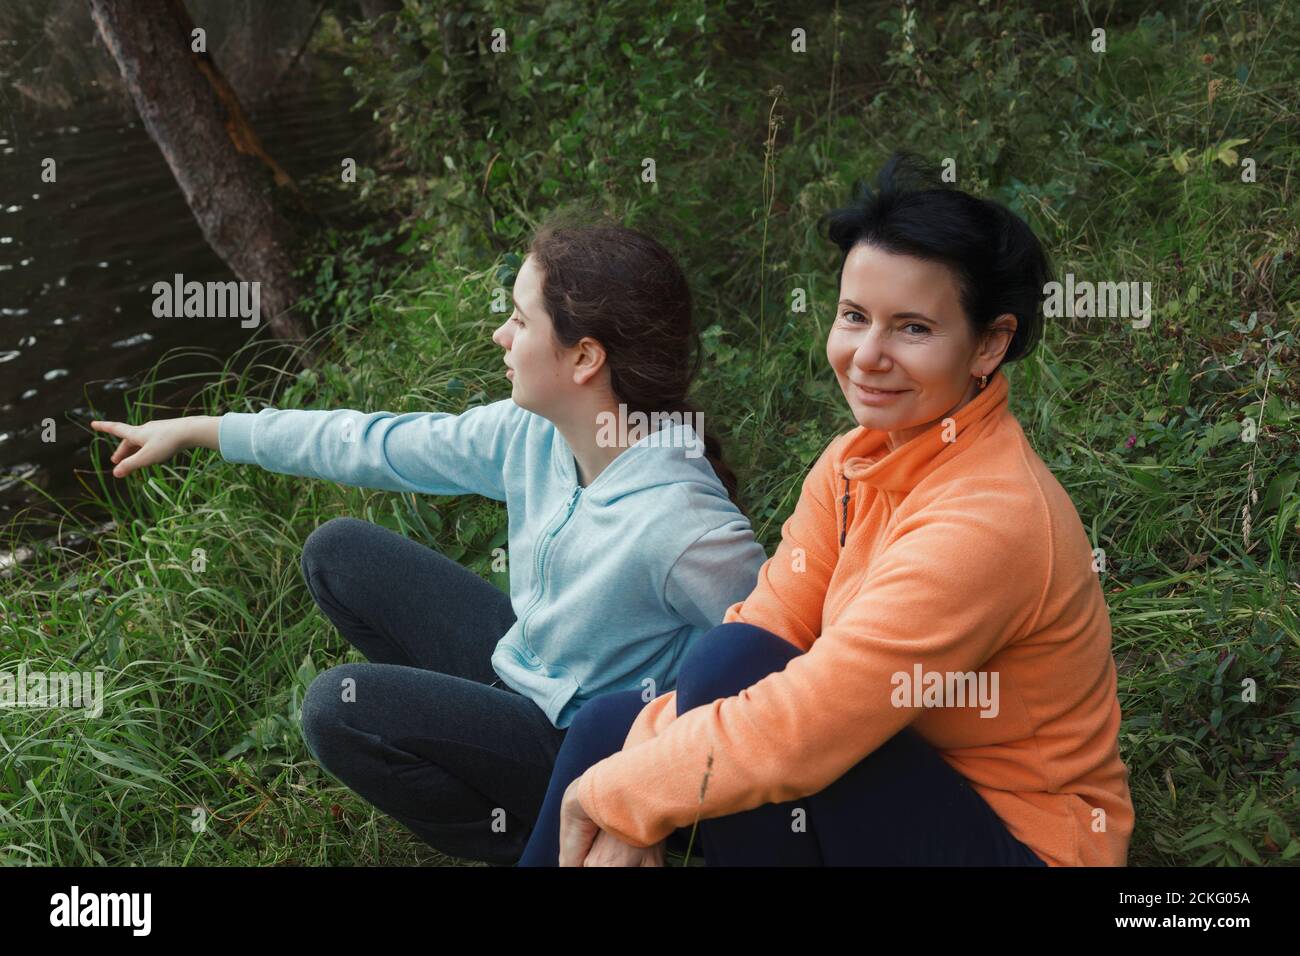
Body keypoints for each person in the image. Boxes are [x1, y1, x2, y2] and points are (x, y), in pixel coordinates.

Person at [89, 210, 767, 865]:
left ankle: (553, 837)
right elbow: (378, 443)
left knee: (337, 709)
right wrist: (208, 430)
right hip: (528, 670)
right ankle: (522, 797)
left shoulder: (681, 523)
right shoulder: (533, 431)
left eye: (520, 320)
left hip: (587, 745)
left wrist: (647, 794)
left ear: (585, 357)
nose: (501, 335)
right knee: (338, 554)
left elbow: (775, 672)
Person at [520, 152, 1135, 867]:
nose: (867, 355)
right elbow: (768, 628)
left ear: (989, 344)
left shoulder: (989, 519)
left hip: (1017, 843)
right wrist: (631, 771)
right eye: (854, 317)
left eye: (912, 328)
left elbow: (812, 723)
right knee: (617, 721)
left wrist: (627, 800)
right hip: (890, 768)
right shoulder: (855, 459)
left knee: (699, 710)